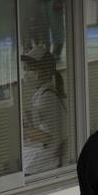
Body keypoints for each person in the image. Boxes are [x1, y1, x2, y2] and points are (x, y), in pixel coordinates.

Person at [20, 44, 68, 175]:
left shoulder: (47, 97)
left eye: (31, 68)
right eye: (26, 68)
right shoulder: (46, 94)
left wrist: (22, 130)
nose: (26, 72)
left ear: (45, 72)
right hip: (42, 164)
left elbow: (46, 136)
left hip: (41, 166)